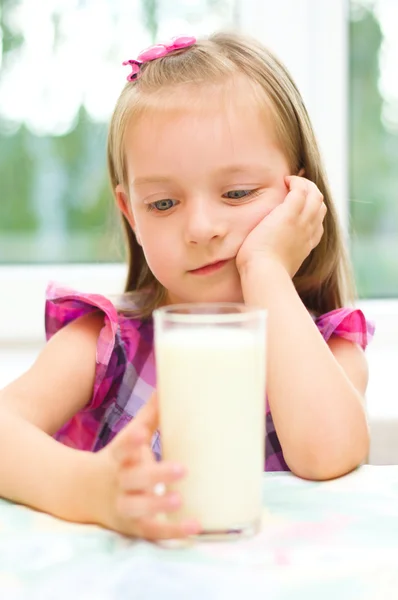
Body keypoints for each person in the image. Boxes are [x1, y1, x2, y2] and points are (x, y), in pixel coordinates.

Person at [0, 32, 374, 541]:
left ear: (298, 197)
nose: (201, 227)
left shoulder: (326, 348)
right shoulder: (107, 344)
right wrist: (88, 491)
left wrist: (264, 267)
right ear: (130, 213)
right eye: (163, 204)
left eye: (237, 193)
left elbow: (327, 455)